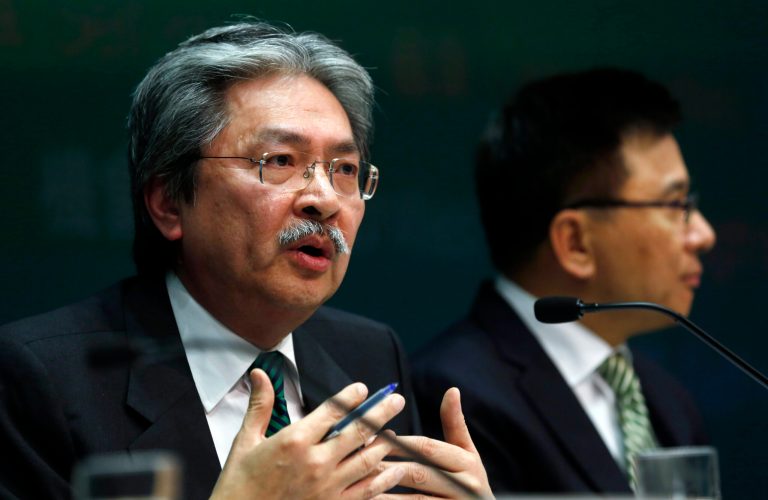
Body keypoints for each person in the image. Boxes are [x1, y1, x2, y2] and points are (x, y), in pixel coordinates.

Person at [0, 21, 492, 500]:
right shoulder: (43, 378)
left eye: (345, 169)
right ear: (169, 202)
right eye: (279, 161)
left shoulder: (368, 354)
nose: (323, 198)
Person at [411, 68, 717, 494]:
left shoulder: (666, 399)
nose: (703, 234)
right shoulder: (453, 397)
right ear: (575, 242)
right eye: (674, 205)